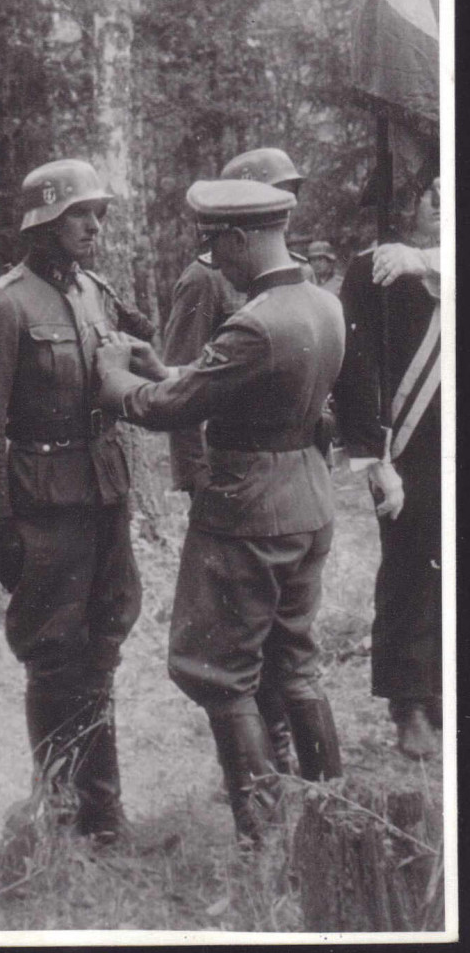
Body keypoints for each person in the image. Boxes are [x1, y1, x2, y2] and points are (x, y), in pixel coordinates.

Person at [96, 179, 345, 845]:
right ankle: (336, 820)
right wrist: (163, 365)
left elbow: (172, 408)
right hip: (306, 499)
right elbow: (230, 382)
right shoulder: (320, 302)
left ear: (237, 240)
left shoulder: (255, 321)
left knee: (216, 668)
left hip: (246, 512)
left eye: (215, 245)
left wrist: (117, 382)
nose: (215, 261)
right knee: (293, 661)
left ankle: (262, 837)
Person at [0, 158, 142, 845]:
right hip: (43, 502)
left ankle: (105, 814)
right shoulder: (4, 305)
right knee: (52, 650)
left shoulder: (95, 292)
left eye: (98, 213)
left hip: (105, 491)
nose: (94, 225)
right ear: (43, 223)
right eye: (78, 214)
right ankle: (60, 812)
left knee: (103, 643)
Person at [162, 148, 310, 774]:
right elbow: (182, 378)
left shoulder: (289, 278)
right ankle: (273, 769)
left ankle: (285, 778)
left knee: (266, 649)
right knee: (254, 649)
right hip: (235, 482)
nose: (286, 207)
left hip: (269, 485)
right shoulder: (204, 278)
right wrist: (197, 478)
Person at [334, 175, 441, 760]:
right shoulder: (371, 271)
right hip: (408, 449)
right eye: (434, 197)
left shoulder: (432, 262)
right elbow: (356, 373)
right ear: (406, 203)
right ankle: (410, 702)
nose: (445, 209)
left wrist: (425, 258)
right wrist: (375, 460)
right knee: (409, 570)